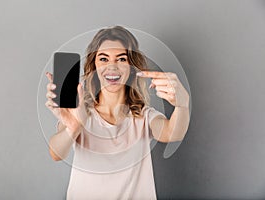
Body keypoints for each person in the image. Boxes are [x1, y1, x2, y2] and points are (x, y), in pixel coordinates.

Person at [45, 26, 190, 200]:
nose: (112, 66)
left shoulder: (143, 116)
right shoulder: (80, 113)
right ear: (94, 66)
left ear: (131, 66)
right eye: (103, 59)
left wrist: (182, 105)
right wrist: (74, 127)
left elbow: (173, 133)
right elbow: (56, 153)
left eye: (121, 59)